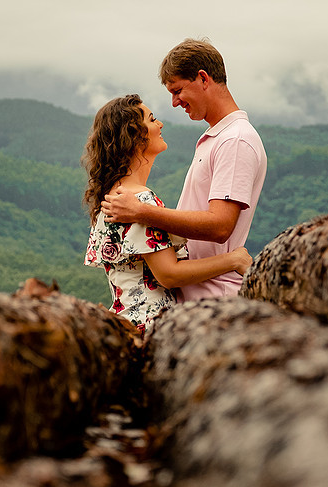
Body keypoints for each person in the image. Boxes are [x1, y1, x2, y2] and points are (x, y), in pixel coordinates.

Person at [101, 38, 267, 300]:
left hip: (215, 297)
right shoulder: (217, 137)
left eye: (177, 90)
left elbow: (221, 225)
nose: (175, 102)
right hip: (197, 297)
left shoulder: (235, 139)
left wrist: (141, 212)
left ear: (203, 78)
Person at [83, 94, 252, 333]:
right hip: (150, 326)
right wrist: (233, 260)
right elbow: (169, 275)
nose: (160, 125)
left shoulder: (114, 196)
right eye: (152, 120)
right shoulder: (140, 201)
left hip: (124, 322)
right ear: (135, 137)